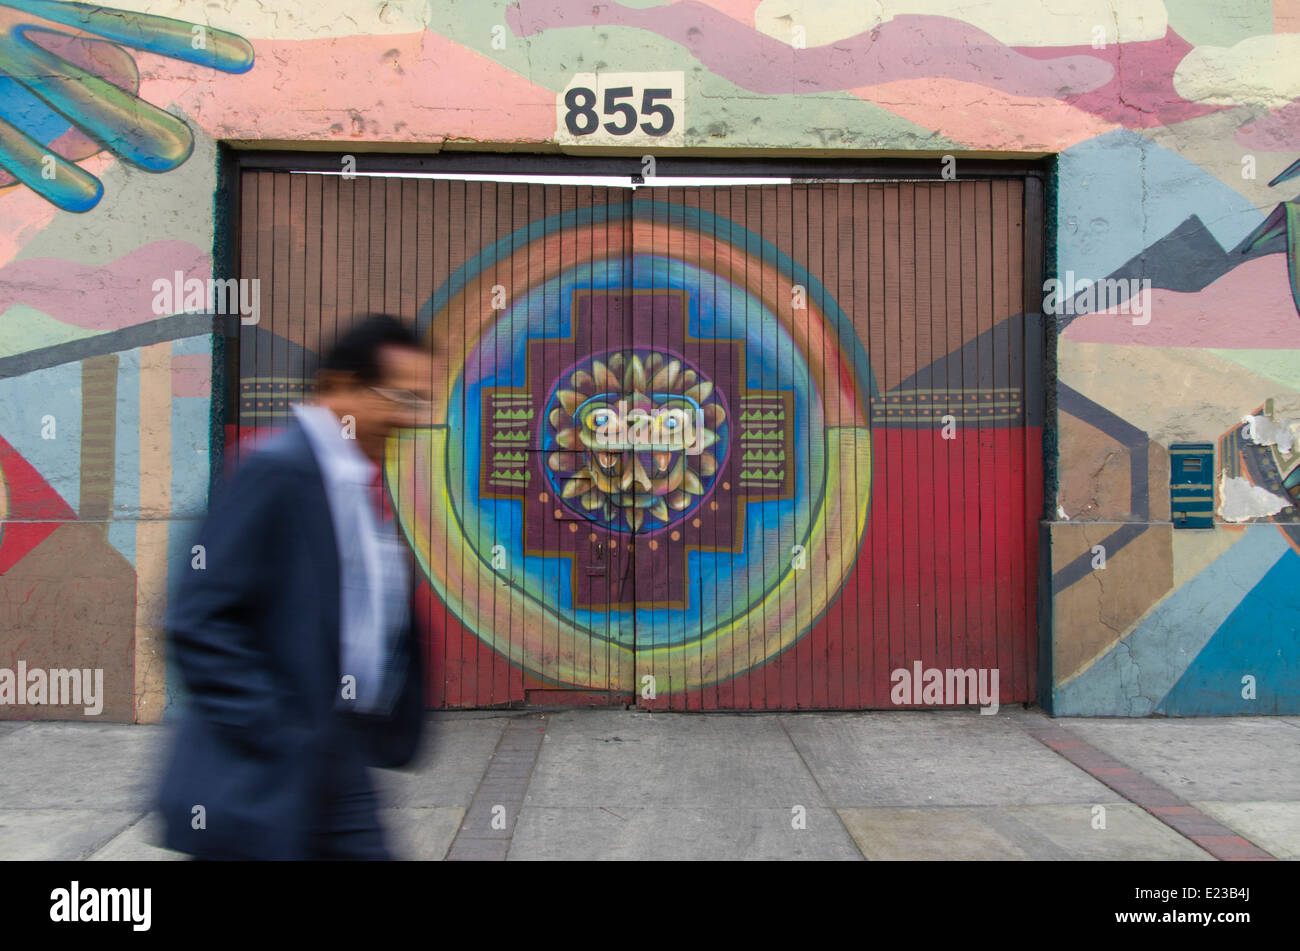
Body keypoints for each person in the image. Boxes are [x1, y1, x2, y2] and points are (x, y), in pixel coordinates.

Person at [156, 313, 433, 860]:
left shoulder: (355, 479)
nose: (409, 418)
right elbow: (197, 619)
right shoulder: (275, 471)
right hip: (268, 770)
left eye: (419, 402)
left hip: (339, 756)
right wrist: (278, 731)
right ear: (338, 386)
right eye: (398, 397)